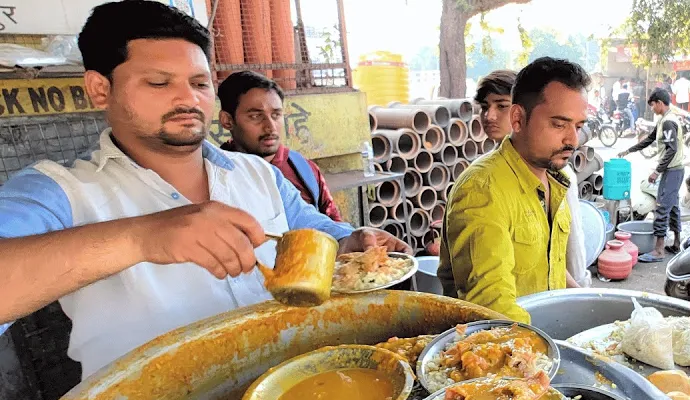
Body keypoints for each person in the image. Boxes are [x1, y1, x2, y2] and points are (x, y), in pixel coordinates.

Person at [0, 0, 405, 379]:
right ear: (100, 88)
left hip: (288, 385)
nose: (187, 99)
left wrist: (352, 242)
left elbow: (308, 227)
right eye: (159, 83)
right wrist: (142, 237)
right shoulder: (60, 192)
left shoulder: (258, 174)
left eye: (199, 83)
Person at [440, 57, 590, 323]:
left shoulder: (554, 180)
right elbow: (492, 309)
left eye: (577, 126)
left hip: (549, 336)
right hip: (512, 352)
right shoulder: (482, 189)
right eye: (559, 124)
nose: (572, 140)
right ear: (519, 119)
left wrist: (590, 309)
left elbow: (548, 265)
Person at [474, 66, 590, 289]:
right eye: (485, 107)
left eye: (501, 106)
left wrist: (581, 299)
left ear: (517, 113)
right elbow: (489, 298)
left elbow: (566, 255)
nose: (490, 116)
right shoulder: (482, 184)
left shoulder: (557, 175)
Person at [217, 70, 343, 223]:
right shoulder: (215, 175)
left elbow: (334, 226)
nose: (270, 127)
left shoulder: (304, 169)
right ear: (227, 120)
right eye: (255, 116)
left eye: (276, 115)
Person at [619, 88, 685, 263]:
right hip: (674, 170)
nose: (652, 109)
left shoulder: (669, 122)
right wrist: (628, 150)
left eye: (653, 105)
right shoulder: (664, 120)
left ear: (660, 103)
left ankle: (658, 250)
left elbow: (672, 150)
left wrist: (657, 171)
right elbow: (649, 139)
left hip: (672, 170)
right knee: (673, 207)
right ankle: (677, 244)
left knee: (662, 208)